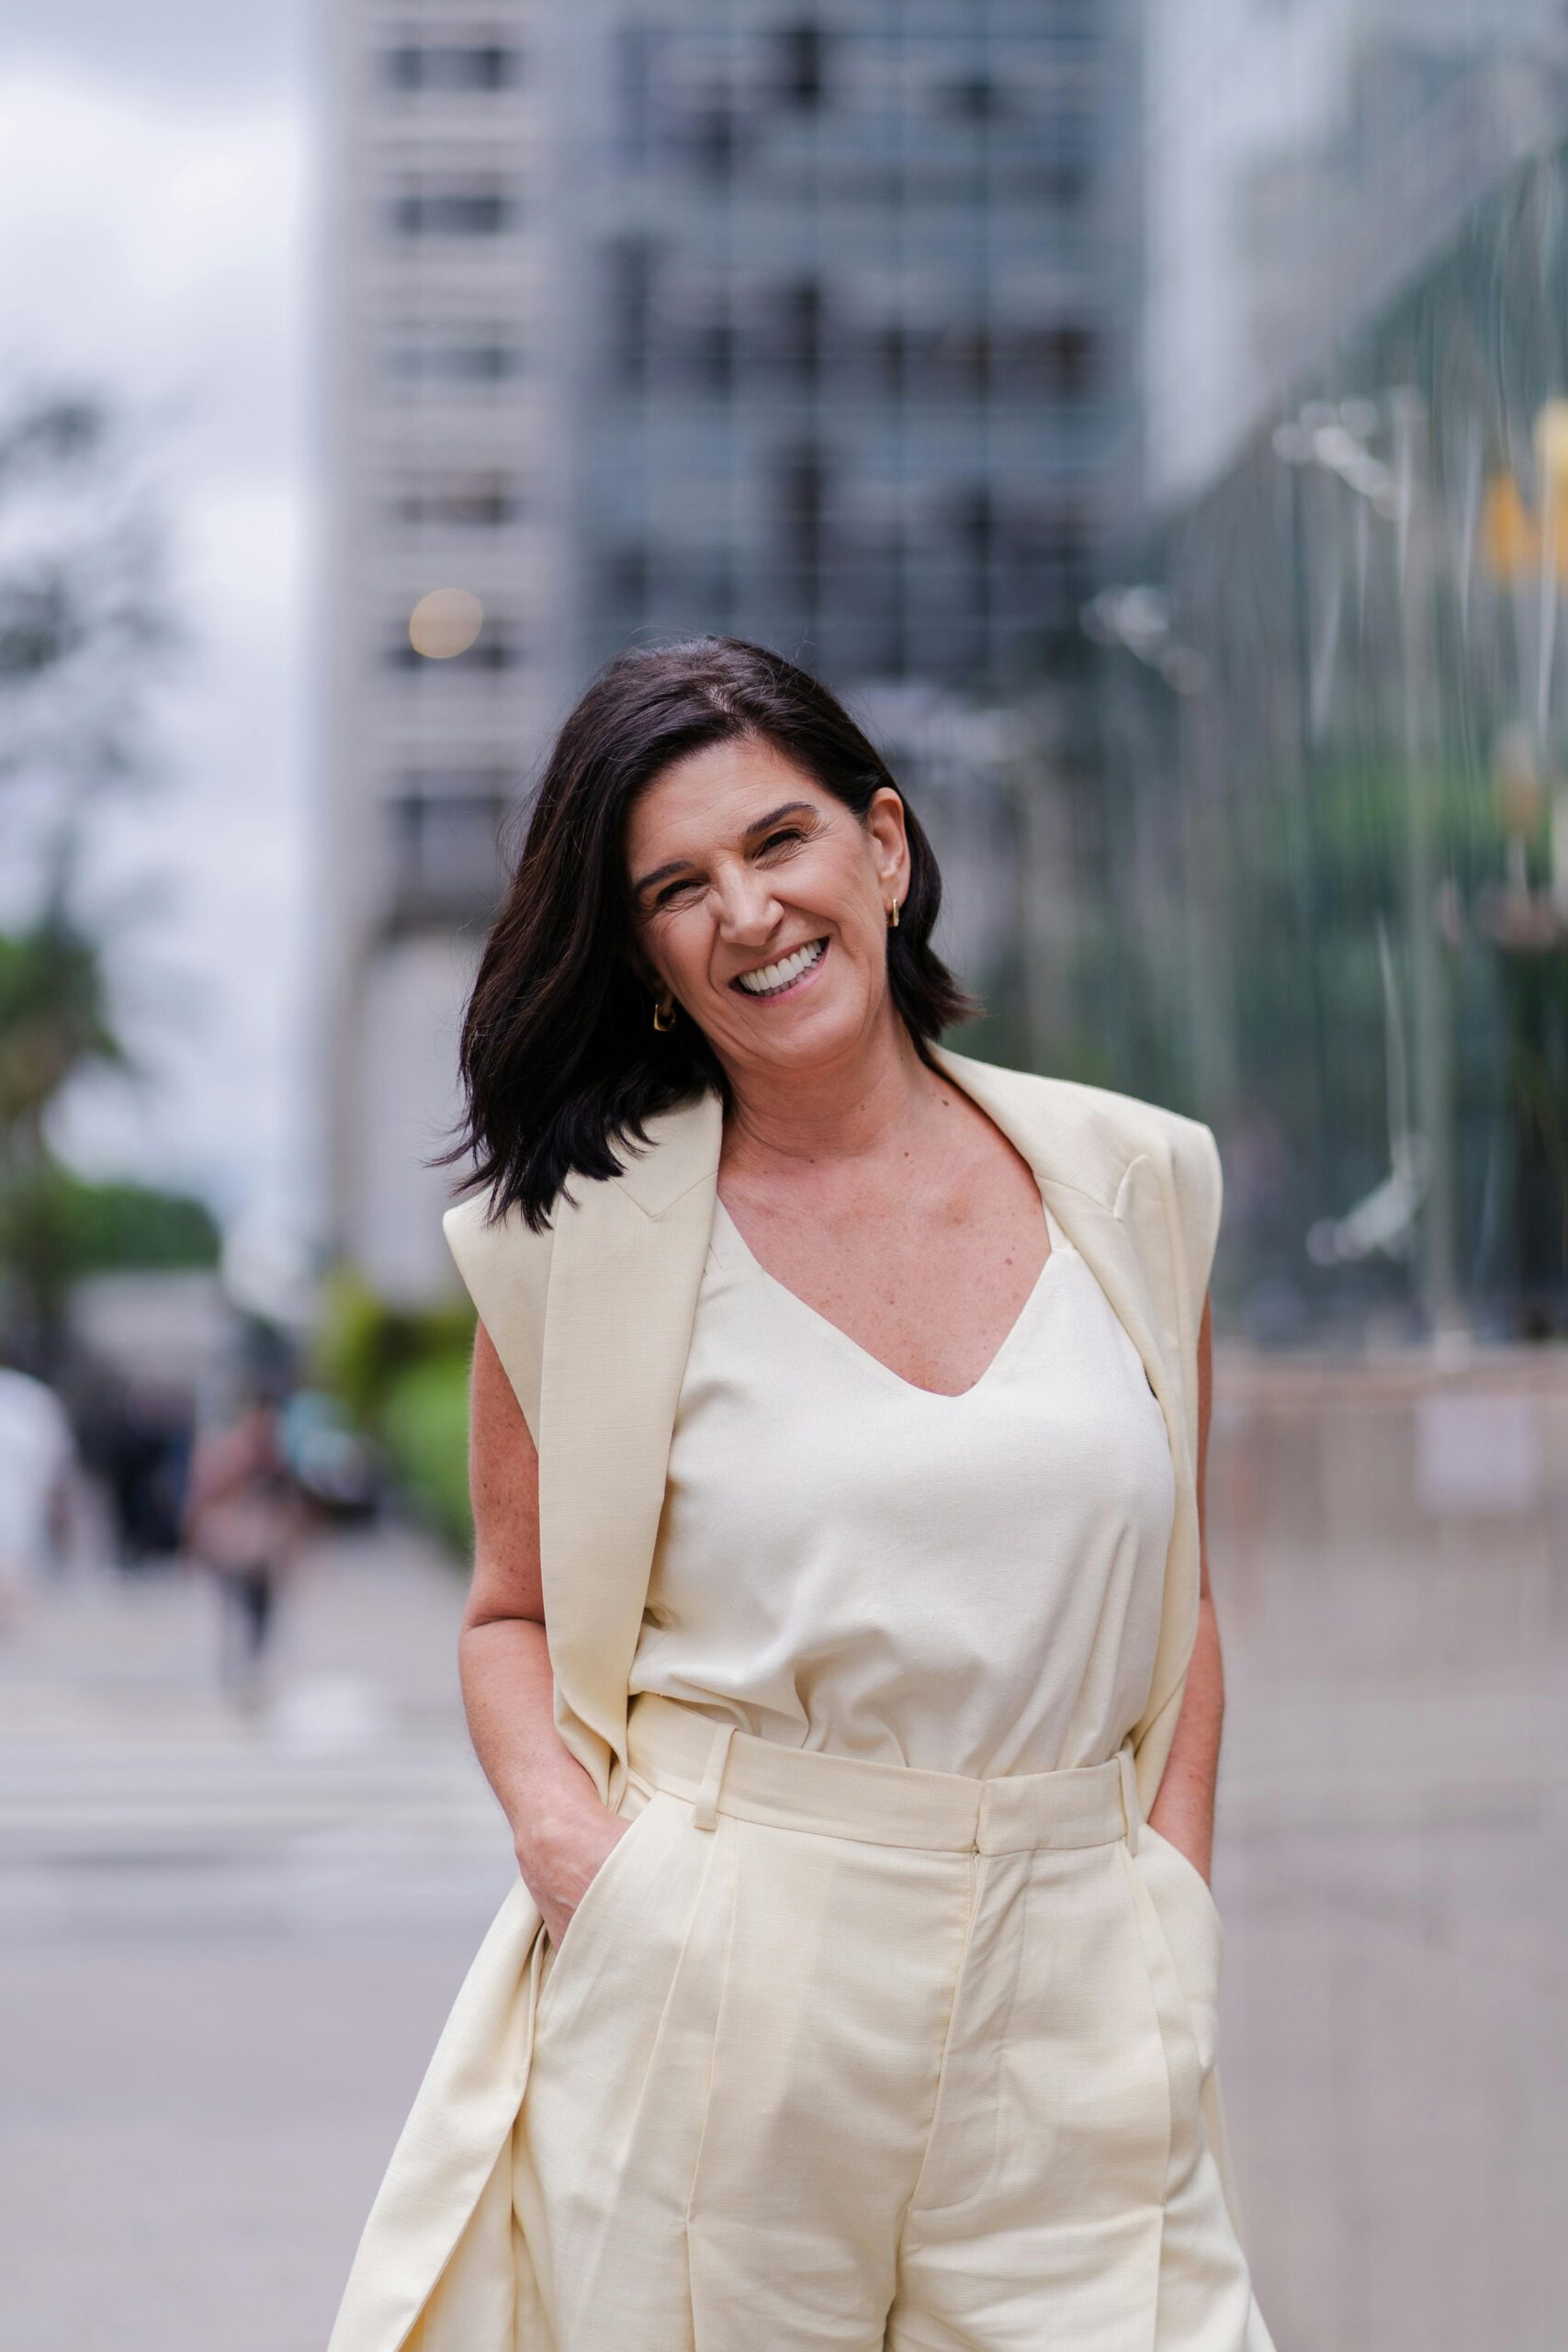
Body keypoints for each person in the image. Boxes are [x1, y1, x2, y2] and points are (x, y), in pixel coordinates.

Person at [329, 638, 1277, 2352]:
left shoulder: (1135, 1182)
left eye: (779, 843)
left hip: (1079, 1979)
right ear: (639, 952)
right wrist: (585, 1868)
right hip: (723, 1976)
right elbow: (510, 1615)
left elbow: (1178, 1592)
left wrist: (1169, 1893)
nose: (747, 913)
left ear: (884, 849)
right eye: (677, 888)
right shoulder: (575, 1251)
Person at [183, 1378, 303, 1706]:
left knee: (259, 1610)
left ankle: (251, 1666)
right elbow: (204, 1496)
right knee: (235, 1608)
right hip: (232, 1542)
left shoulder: (275, 1453)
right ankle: (236, 1668)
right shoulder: (232, 1450)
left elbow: (290, 1503)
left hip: (261, 1547)